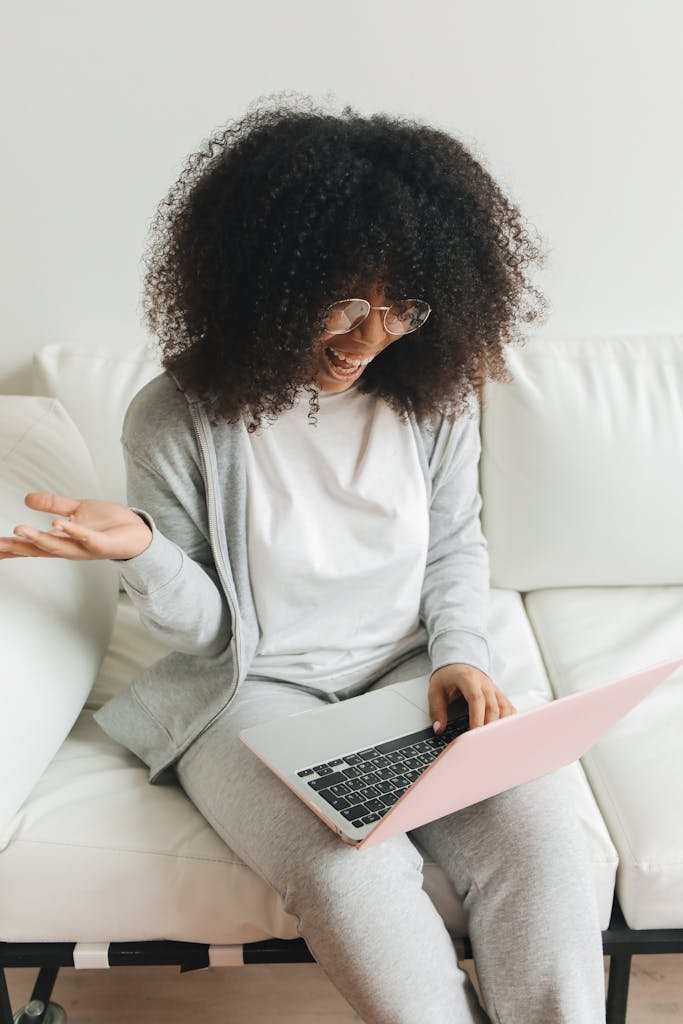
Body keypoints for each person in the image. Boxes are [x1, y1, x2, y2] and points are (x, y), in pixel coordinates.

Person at [0, 94, 606, 1023]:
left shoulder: (430, 401)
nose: (368, 339)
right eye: (343, 304)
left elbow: (454, 545)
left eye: (400, 307)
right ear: (265, 281)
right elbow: (208, 634)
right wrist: (149, 554)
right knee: (350, 873)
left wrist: (459, 657)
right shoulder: (174, 417)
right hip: (248, 693)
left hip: (407, 679)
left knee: (551, 852)